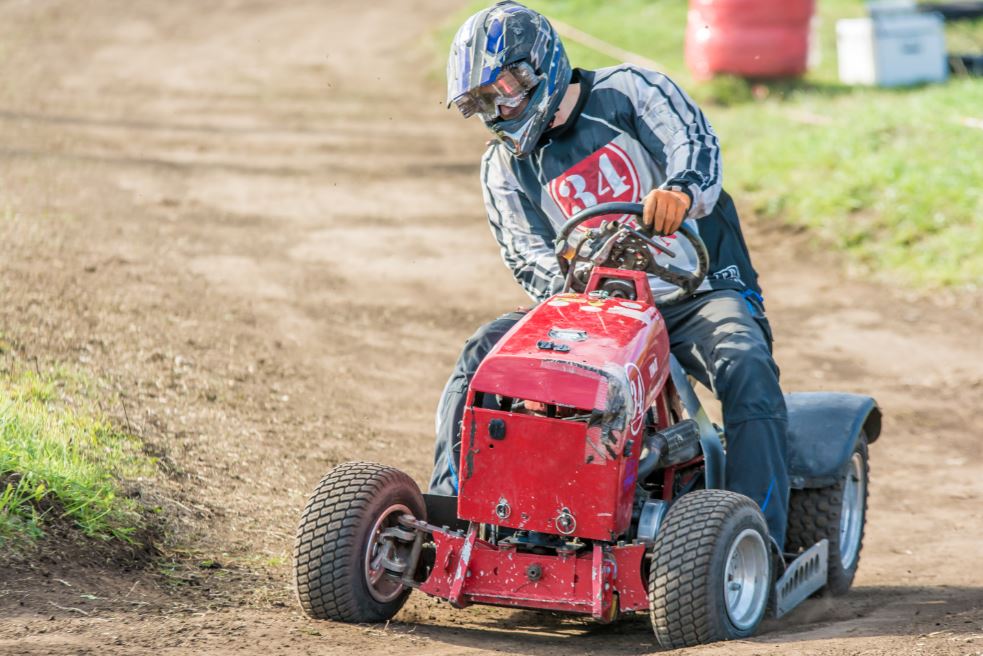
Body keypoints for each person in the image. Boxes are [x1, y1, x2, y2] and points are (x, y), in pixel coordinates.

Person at [429, 1, 789, 550]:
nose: (498, 108)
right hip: (598, 310)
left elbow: (697, 147)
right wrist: (578, 286)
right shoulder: (501, 166)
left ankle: (757, 537)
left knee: (743, 362)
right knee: (483, 354)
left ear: (538, 65)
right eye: (481, 101)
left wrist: (680, 190)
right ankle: (455, 515)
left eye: (502, 88)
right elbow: (527, 257)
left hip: (696, 289)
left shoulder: (631, 90)